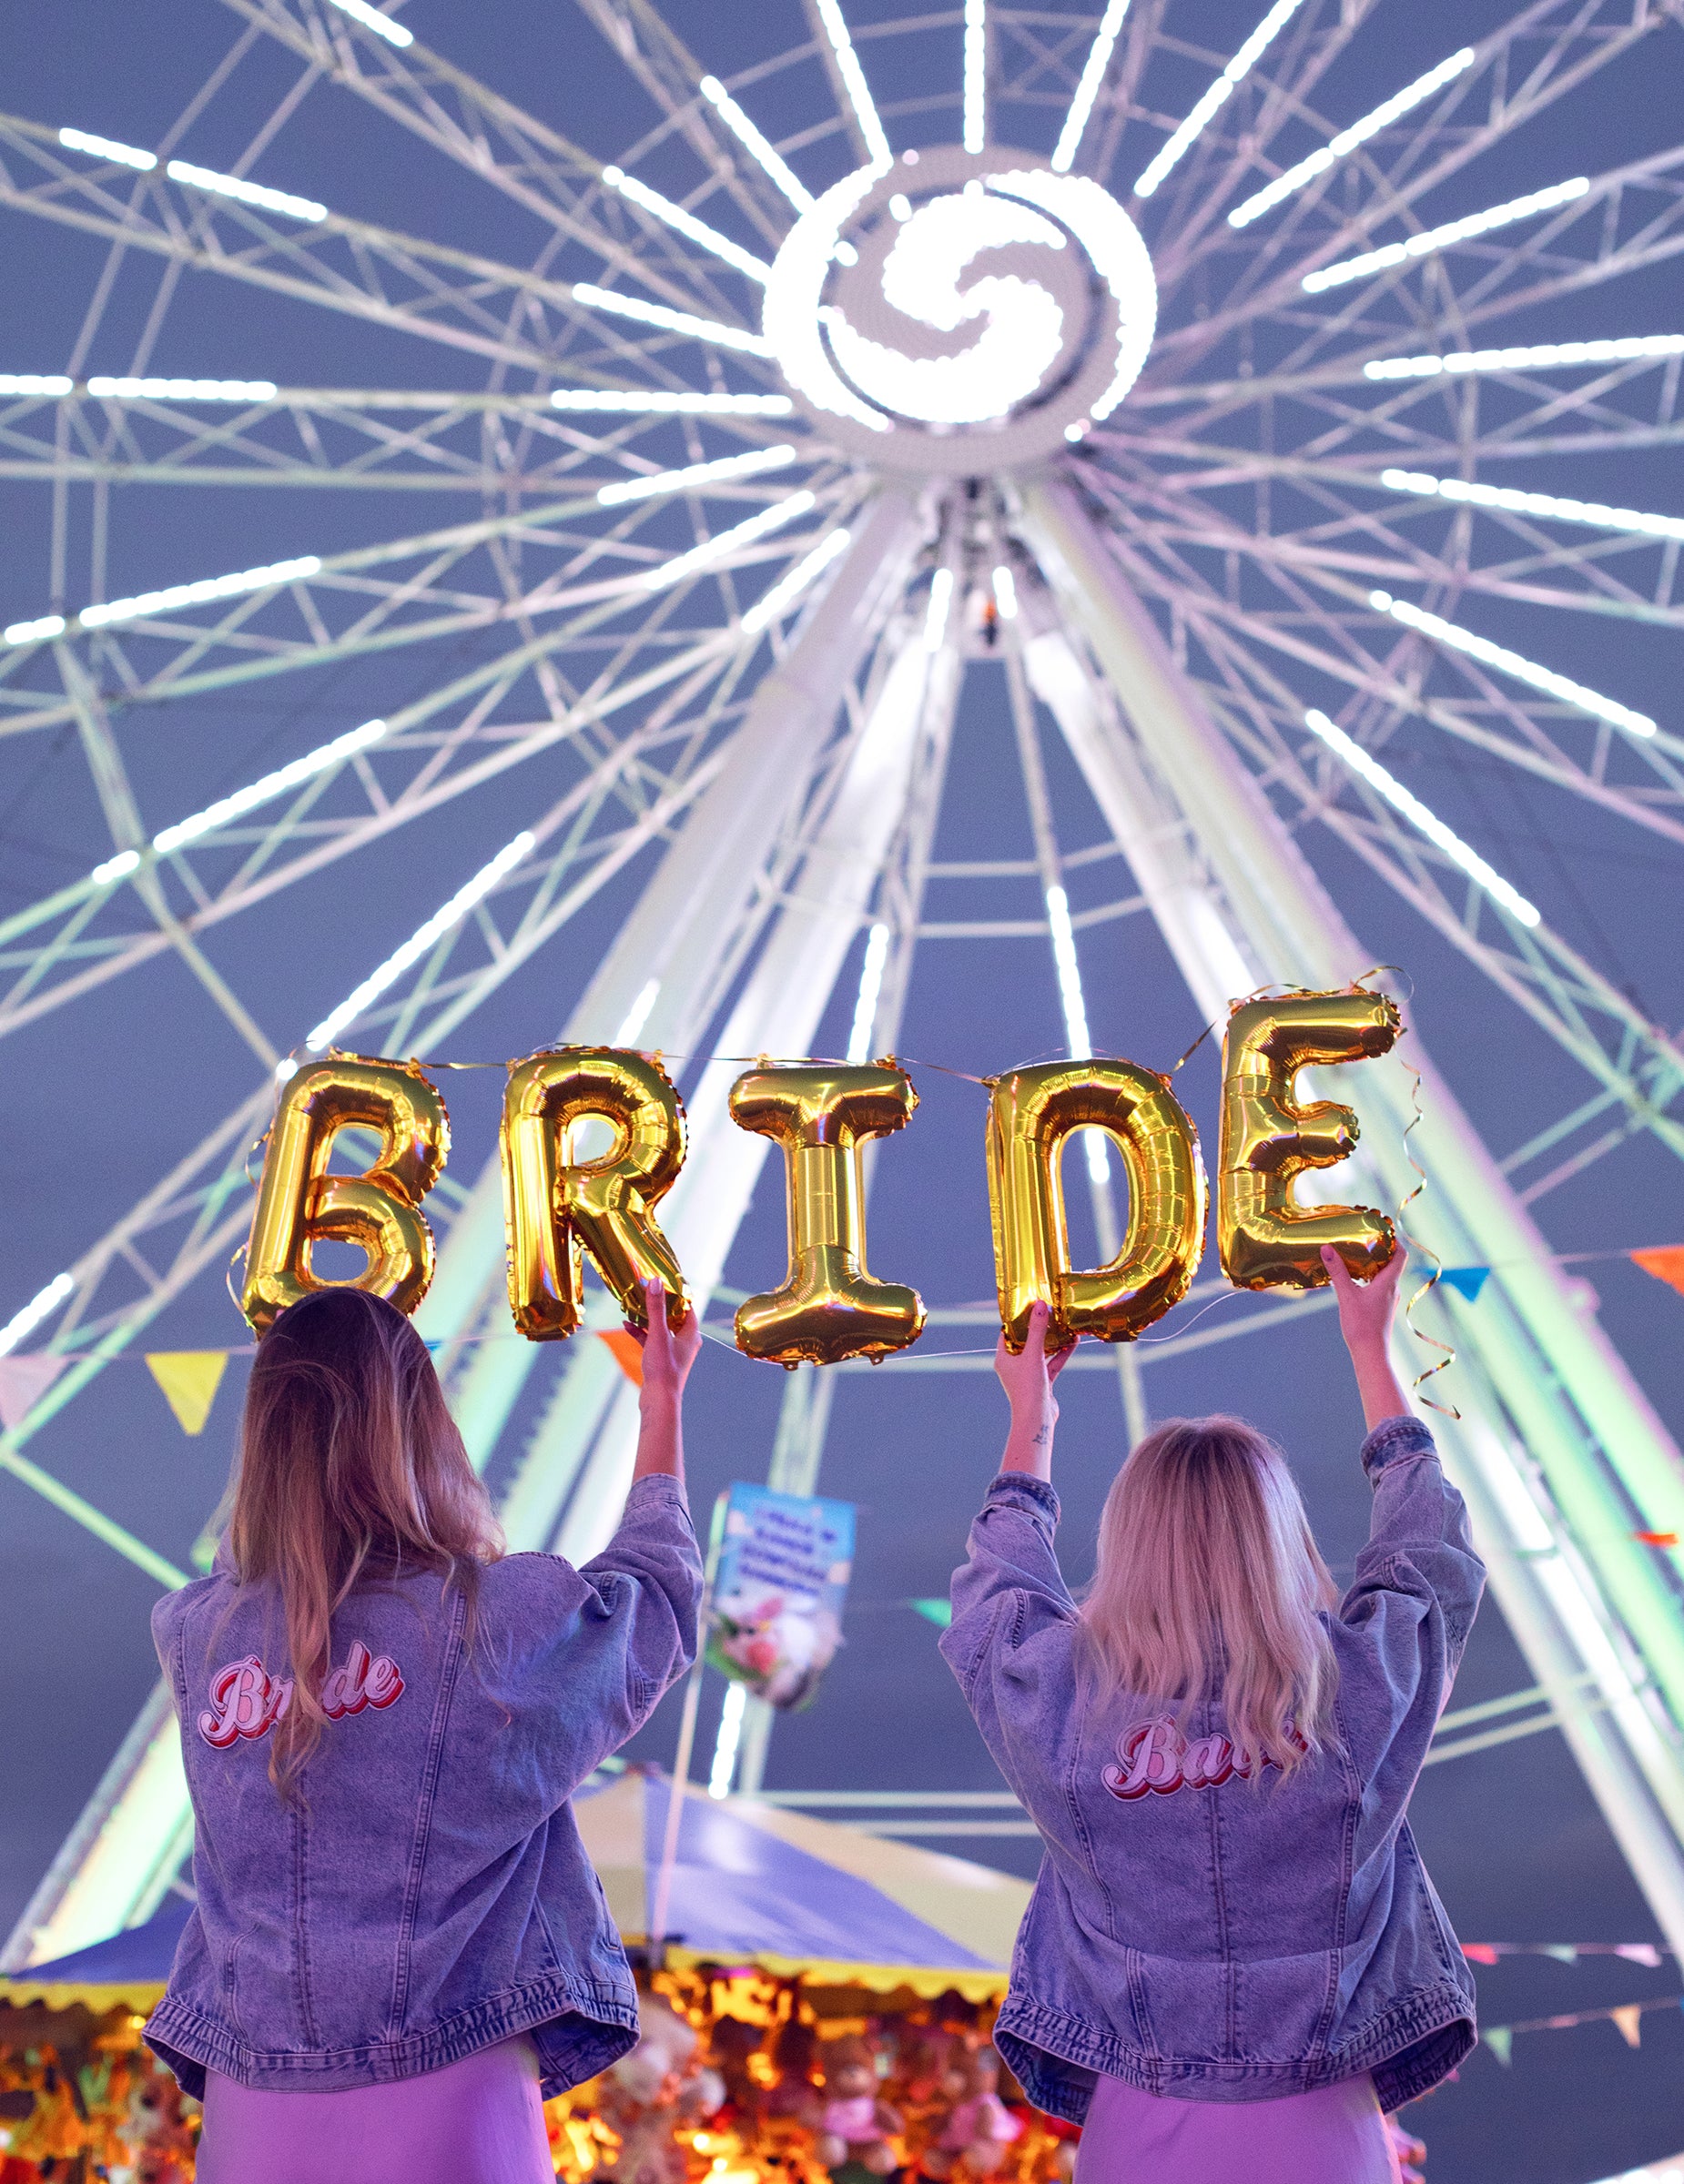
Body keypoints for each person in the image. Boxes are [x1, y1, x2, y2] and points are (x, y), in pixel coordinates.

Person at [941, 1245, 1484, 2183]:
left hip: (1138, 2123)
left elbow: (997, 1597)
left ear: (1126, 1543)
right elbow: (1426, 1546)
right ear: (1280, 1537)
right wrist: (1369, 1350)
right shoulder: (1353, 1688)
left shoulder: (1065, 1702)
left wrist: (1031, 1416)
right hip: (1324, 2123)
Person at [146, 1277, 704, 2184]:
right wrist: (661, 1401)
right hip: (452, 2079)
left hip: (256, 2103)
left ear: (264, 1433)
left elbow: (262, 1568)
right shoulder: (489, 1619)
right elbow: (654, 1602)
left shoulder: (195, 1633)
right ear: (422, 1427)